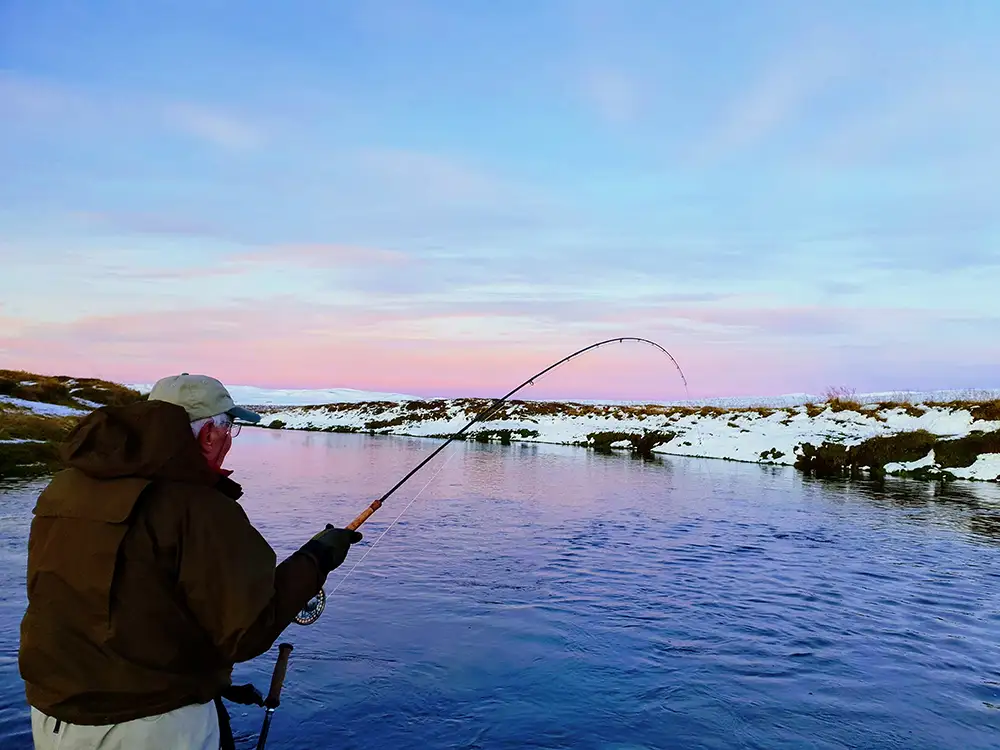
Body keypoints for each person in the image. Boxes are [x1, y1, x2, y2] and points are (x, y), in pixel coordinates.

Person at [18, 373, 362, 750]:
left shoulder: (67, 485)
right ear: (208, 435)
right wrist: (317, 557)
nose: (230, 439)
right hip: (150, 724)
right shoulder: (198, 507)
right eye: (229, 426)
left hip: (51, 716)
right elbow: (248, 629)